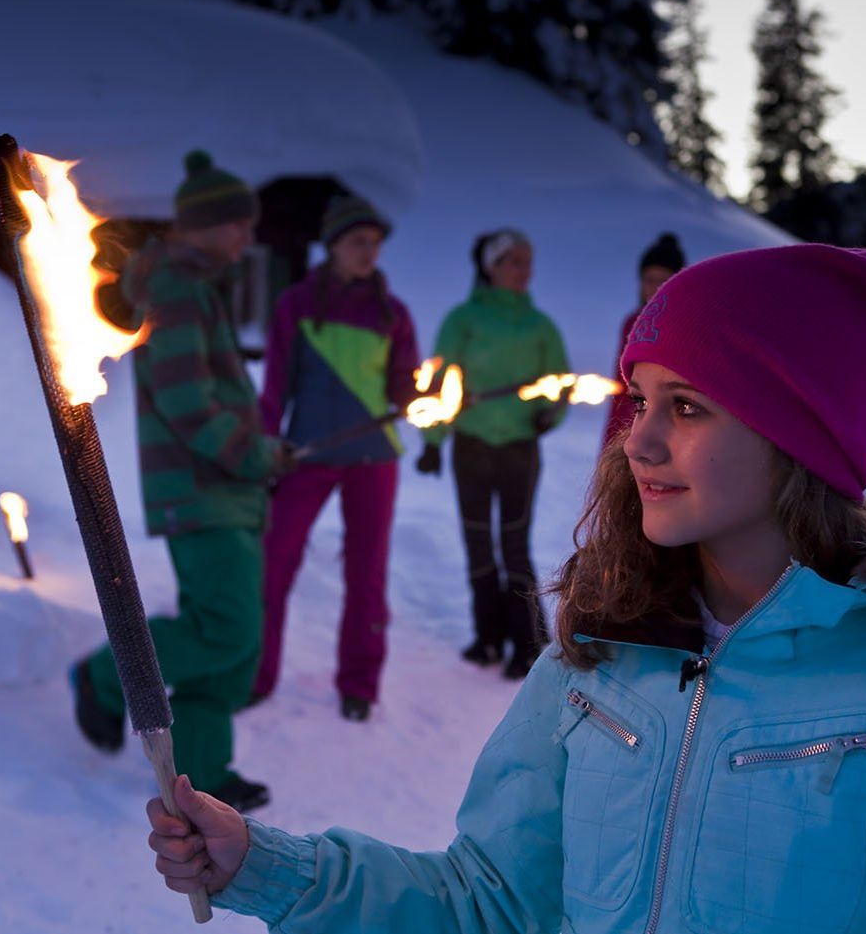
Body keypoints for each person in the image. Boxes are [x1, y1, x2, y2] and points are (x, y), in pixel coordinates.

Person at [146, 244, 866, 933]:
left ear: (801, 436)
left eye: (688, 405)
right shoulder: (594, 659)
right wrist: (265, 866)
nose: (637, 439)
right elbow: (491, 903)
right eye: (639, 398)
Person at [70, 150, 293, 813]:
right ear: (202, 225)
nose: (247, 239)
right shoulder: (176, 287)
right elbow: (186, 399)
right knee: (225, 628)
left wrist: (260, 456)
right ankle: (104, 675)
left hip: (224, 489)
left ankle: (202, 769)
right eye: (237, 226)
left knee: (233, 638)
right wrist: (254, 455)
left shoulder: (197, 285)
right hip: (200, 490)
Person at [253, 195, 420, 722]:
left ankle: (359, 683)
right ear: (333, 246)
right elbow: (275, 384)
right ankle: (256, 673)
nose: (369, 252)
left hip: (373, 459)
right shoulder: (297, 304)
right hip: (307, 453)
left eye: (374, 243)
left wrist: (413, 395)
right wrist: (268, 440)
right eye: (357, 242)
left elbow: (403, 384)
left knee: (366, 571)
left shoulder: (392, 313)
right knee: (273, 561)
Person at [415, 229, 569, 679]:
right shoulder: (462, 320)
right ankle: (486, 638)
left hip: (519, 446)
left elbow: (559, 382)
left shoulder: (540, 326)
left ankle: (526, 643)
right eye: (514, 261)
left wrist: (548, 416)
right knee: (478, 540)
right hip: (472, 445)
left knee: (514, 542)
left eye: (528, 261)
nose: (524, 270)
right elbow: (442, 384)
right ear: (490, 266)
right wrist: (432, 442)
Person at [603, 232, 686, 447]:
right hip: (627, 423)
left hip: (665, 427)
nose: (655, 287)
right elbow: (621, 384)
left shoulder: (684, 326)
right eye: (650, 280)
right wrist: (611, 438)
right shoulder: (633, 323)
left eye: (664, 280)